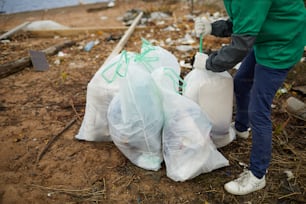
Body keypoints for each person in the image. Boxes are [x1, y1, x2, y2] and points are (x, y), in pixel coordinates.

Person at [194, 0, 306, 195]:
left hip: (282, 44)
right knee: (241, 82)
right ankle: (241, 128)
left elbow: (241, 45)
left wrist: (211, 62)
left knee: (258, 110)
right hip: (267, 34)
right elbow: (244, 20)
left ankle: (257, 175)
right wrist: (213, 27)